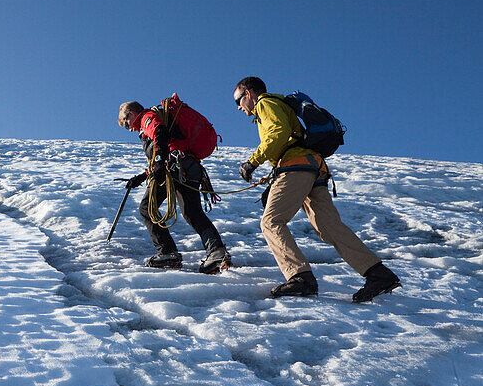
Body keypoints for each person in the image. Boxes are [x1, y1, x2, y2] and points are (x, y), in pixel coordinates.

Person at [233, 76, 401, 302]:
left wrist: (252, 162)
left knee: (271, 222)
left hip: (297, 166)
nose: (239, 107)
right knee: (327, 226)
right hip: (314, 167)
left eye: (238, 100)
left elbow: (278, 133)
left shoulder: (265, 103)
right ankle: (378, 274)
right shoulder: (279, 104)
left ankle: (300, 277)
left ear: (249, 94)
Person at [118, 97, 231, 274]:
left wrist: (160, 161)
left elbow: (160, 133)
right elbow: (166, 148)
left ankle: (167, 253)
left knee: (147, 207)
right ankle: (216, 252)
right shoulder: (154, 117)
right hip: (187, 165)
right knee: (192, 212)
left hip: (174, 168)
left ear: (131, 114)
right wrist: (142, 176)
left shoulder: (146, 118)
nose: (130, 128)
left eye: (126, 124)